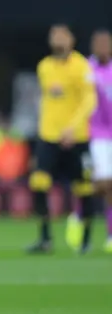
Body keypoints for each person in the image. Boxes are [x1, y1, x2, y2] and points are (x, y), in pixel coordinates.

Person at [28, 24, 96, 254]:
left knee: (84, 187)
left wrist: (72, 128)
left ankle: (86, 240)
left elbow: (89, 101)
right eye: (55, 36)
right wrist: (46, 130)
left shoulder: (81, 66)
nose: (59, 40)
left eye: (63, 36)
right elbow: (49, 102)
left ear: (72, 40)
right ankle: (45, 238)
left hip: (77, 137)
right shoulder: (44, 67)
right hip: (50, 137)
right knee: (38, 182)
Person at [67, 29, 112, 252]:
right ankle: (78, 214)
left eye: (106, 43)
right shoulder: (86, 68)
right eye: (99, 43)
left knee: (109, 185)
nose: (103, 47)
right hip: (93, 133)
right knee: (100, 183)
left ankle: (110, 235)